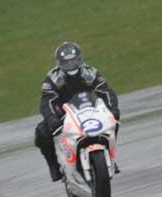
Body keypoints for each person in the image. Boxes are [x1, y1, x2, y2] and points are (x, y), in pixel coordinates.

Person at [35, 42, 120, 182]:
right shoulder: (53, 77)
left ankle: (110, 155)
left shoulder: (90, 72)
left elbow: (106, 90)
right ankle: (54, 166)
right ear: (59, 63)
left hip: (91, 111)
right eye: (67, 62)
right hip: (64, 114)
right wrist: (52, 119)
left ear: (80, 59)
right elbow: (47, 101)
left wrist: (113, 109)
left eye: (74, 61)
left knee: (114, 120)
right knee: (41, 133)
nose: (71, 65)